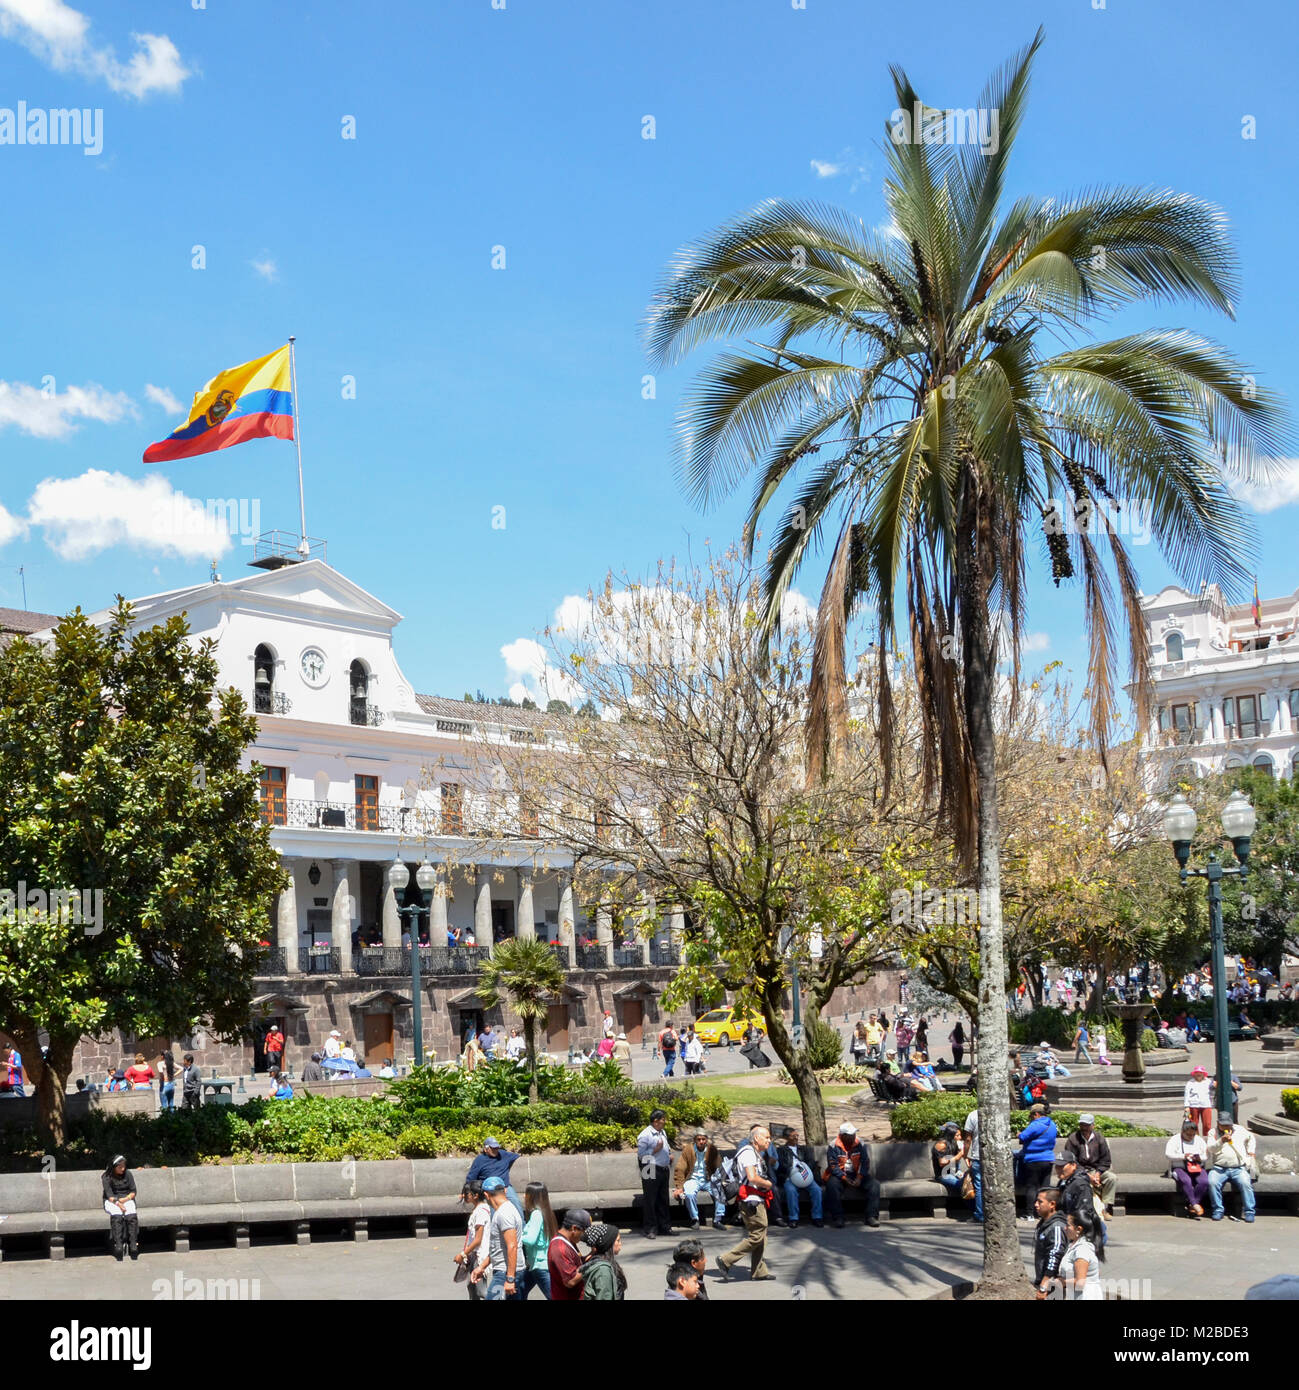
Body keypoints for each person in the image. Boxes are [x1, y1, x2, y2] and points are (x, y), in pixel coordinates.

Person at [716, 1124, 774, 1281]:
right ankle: (726, 1260)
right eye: (767, 1137)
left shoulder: (753, 1152)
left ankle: (759, 1271)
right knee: (758, 1234)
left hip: (754, 1199)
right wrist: (768, 1184)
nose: (770, 1140)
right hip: (751, 1200)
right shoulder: (748, 1153)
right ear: (756, 1138)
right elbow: (752, 1177)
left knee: (761, 1235)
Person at [470, 1177, 524, 1300]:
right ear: (505, 1190)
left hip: (505, 1273)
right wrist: (482, 1267)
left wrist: (510, 1278)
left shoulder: (504, 1214)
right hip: (507, 1271)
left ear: (486, 1195)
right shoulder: (503, 1211)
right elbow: (499, 1246)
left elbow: (512, 1246)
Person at [824, 1121, 881, 1229]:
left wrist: (859, 1177)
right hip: (840, 1176)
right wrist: (845, 1178)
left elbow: (865, 1162)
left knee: (874, 1185)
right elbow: (833, 1166)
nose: (854, 1136)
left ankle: (871, 1216)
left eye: (854, 1134)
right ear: (843, 1136)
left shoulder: (859, 1143)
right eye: (851, 1135)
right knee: (832, 1186)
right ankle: (838, 1217)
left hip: (856, 1174)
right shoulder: (833, 1145)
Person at [1207, 1113, 1257, 1223]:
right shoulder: (1213, 1132)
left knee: (1245, 1183)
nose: (1226, 1127)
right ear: (1218, 1123)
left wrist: (1251, 1151)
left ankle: (1249, 1211)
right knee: (1212, 1182)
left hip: (1238, 1168)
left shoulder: (1240, 1130)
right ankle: (1218, 1210)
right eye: (1223, 1125)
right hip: (1219, 1168)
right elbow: (1211, 1149)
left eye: (1228, 1125)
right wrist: (1221, 1141)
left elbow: (1251, 1138)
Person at [1063, 1115, 1116, 1214]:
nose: (1084, 1128)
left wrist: (1098, 1174)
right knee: (1084, 1182)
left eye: (1086, 1125)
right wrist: (1087, 1176)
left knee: (1111, 1178)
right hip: (1079, 1171)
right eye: (1082, 1125)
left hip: (1096, 1170)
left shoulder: (1099, 1138)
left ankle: (1105, 1208)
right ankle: (1090, 1209)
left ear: (1093, 1126)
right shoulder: (1073, 1139)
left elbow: (1106, 1159)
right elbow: (1071, 1160)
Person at [777, 1125, 825, 1227]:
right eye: (793, 1136)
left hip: (806, 1175)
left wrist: (805, 1167)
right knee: (791, 1191)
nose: (796, 1138)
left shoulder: (804, 1149)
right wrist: (792, 1170)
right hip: (790, 1176)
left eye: (797, 1135)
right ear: (786, 1138)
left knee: (816, 1190)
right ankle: (793, 1218)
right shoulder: (781, 1150)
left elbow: (811, 1162)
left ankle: (817, 1216)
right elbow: (781, 1165)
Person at [1016, 1103, 1059, 1217]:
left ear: (1036, 1114)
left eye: (1032, 1115)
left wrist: (1019, 1134)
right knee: (1044, 1188)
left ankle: (1029, 1213)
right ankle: (1043, 1213)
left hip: (1033, 1159)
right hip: (1048, 1159)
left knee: (1032, 1187)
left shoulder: (1035, 1124)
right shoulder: (1052, 1124)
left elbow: (1023, 1136)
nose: (1031, 1118)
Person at [637, 1108, 674, 1237]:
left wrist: (668, 1154)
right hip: (650, 1167)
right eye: (663, 1119)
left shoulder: (662, 1132)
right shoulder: (645, 1135)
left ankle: (665, 1226)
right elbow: (641, 1155)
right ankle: (650, 1228)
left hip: (663, 1168)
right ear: (656, 1121)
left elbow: (666, 1146)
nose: (664, 1122)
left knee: (663, 1198)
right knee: (650, 1199)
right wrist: (655, 1150)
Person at [673, 1130, 721, 1229]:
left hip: (708, 1180)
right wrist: (679, 1186)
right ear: (695, 1140)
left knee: (720, 1192)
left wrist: (719, 1178)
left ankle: (718, 1220)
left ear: (706, 1140)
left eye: (703, 1139)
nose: (701, 1141)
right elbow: (680, 1168)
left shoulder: (712, 1149)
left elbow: (719, 1166)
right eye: (699, 1139)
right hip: (693, 1179)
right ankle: (695, 1219)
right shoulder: (688, 1150)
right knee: (689, 1194)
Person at [455, 1180, 492, 1300]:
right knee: (472, 1287)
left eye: (467, 1193)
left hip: (479, 1257)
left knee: (481, 1291)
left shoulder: (480, 1212)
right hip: (475, 1256)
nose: (464, 1195)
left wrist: (463, 1254)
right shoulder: (482, 1209)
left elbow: (478, 1240)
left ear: (475, 1195)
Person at [520, 1180, 557, 1299]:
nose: (524, 1196)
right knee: (520, 1288)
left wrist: (516, 1237)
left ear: (532, 1197)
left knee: (553, 1296)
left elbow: (530, 1239)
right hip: (539, 1263)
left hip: (540, 1265)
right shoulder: (547, 1213)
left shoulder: (536, 1214)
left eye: (527, 1193)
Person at [1166, 1118, 1210, 1218]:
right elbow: (1168, 1155)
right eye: (1188, 1135)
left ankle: (1192, 1204)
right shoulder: (1175, 1139)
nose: (1191, 1137)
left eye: (1193, 1135)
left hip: (1196, 1167)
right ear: (1183, 1132)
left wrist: (1199, 1158)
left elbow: (1206, 1156)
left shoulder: (1199, 1140)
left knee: (1204, 1182)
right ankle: (1195, 1204)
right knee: (1186, 1181)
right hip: (1180, 1167)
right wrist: (1183, 1156)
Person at [466, 1137, 524, 1212]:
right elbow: (471, 1177)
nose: (496, 1150)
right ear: (486, 1149)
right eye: (493, 1148)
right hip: (489, 1188)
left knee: (515, 1202)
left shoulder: (503, 1154)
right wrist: (467, 1192)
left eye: (497, 1148)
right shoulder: (479, 1160)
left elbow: (517, 1156)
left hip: (504, 1187)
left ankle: (521, 1223)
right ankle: (495, 1223)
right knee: (493, 1207)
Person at [1032, 1186, 1070, 1299]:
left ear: (1052, 1204)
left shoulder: (1056, 1227)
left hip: (1053, 1286)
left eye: (1040, 1202)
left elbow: (1055, 1255)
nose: (1036, 1205)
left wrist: (1045, 1283)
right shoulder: (1045, 1222)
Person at [547, 1208, 592, 1301]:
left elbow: (578, 1264)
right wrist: (591, 1265)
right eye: (583, 1231)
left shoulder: (570, 1241)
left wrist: (593, 1254)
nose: (583, 1236)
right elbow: (571, 1281)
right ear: (574, 1229)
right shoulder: (560, 1248)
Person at [1059, 1207, 1105, 1300]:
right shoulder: (1076, 1245)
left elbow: (1080, 1282)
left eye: (1068, 1225)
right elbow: (1097, 1273)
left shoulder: (1082, 1249)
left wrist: (1061, 1282)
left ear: (1078, 1229)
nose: (1065, 1228)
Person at [102, 1154, 139, 1261]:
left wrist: (125, 1200)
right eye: (120, 1167)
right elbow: (109, 1195)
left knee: (131, 1214)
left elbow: (133, 1191)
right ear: (114, 1167)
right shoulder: (106, 1177)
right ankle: (118, 1244)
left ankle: (133, 1243)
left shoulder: (128, 1174)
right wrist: (118, 1203)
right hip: (112, 1201)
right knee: (117, 1215)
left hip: (126, 1199)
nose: (123, 1169)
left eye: (124, 1166)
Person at [582, 1222, 628, 1300]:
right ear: (608, 1244)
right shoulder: (603, 1270)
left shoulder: (607, 1263)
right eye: (618, 1241)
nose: (620, 1244)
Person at [931, 1120, 967, 1199]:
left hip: (956, 1172)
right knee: (963, 1185)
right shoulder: (941, 1145)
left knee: (973, 1182)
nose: (960, 1138)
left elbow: (962, 1159)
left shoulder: (954, 1143)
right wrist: (959, 1154)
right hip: (944, 1175)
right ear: (950, 1134)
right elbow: (942, 1163)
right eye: (957, 1135)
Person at [963, 1107, 983, 1222]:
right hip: (996, 1158)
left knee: (979, 1186)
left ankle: (980, 1215)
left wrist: (965, 1155)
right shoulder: (999, 1111)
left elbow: (968, 1139)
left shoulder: (973, 1115)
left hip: (978, 1156)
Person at [1183, 1064, 1213, 1135]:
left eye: (1200, 1073)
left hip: (1206, 1105)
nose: (1198, 1074)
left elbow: (1213, 1092)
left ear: (1203, 1074)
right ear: (1194, 1074)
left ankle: (1206, 1138)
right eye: (1197, 1073)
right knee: (1194, 1124)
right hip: (1193, 1105)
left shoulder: (1208, 1082)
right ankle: (1196, 1137)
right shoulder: (1190, 1083)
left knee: (1207, 1124)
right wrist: (1186, 1106)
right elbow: (1186, 1094)